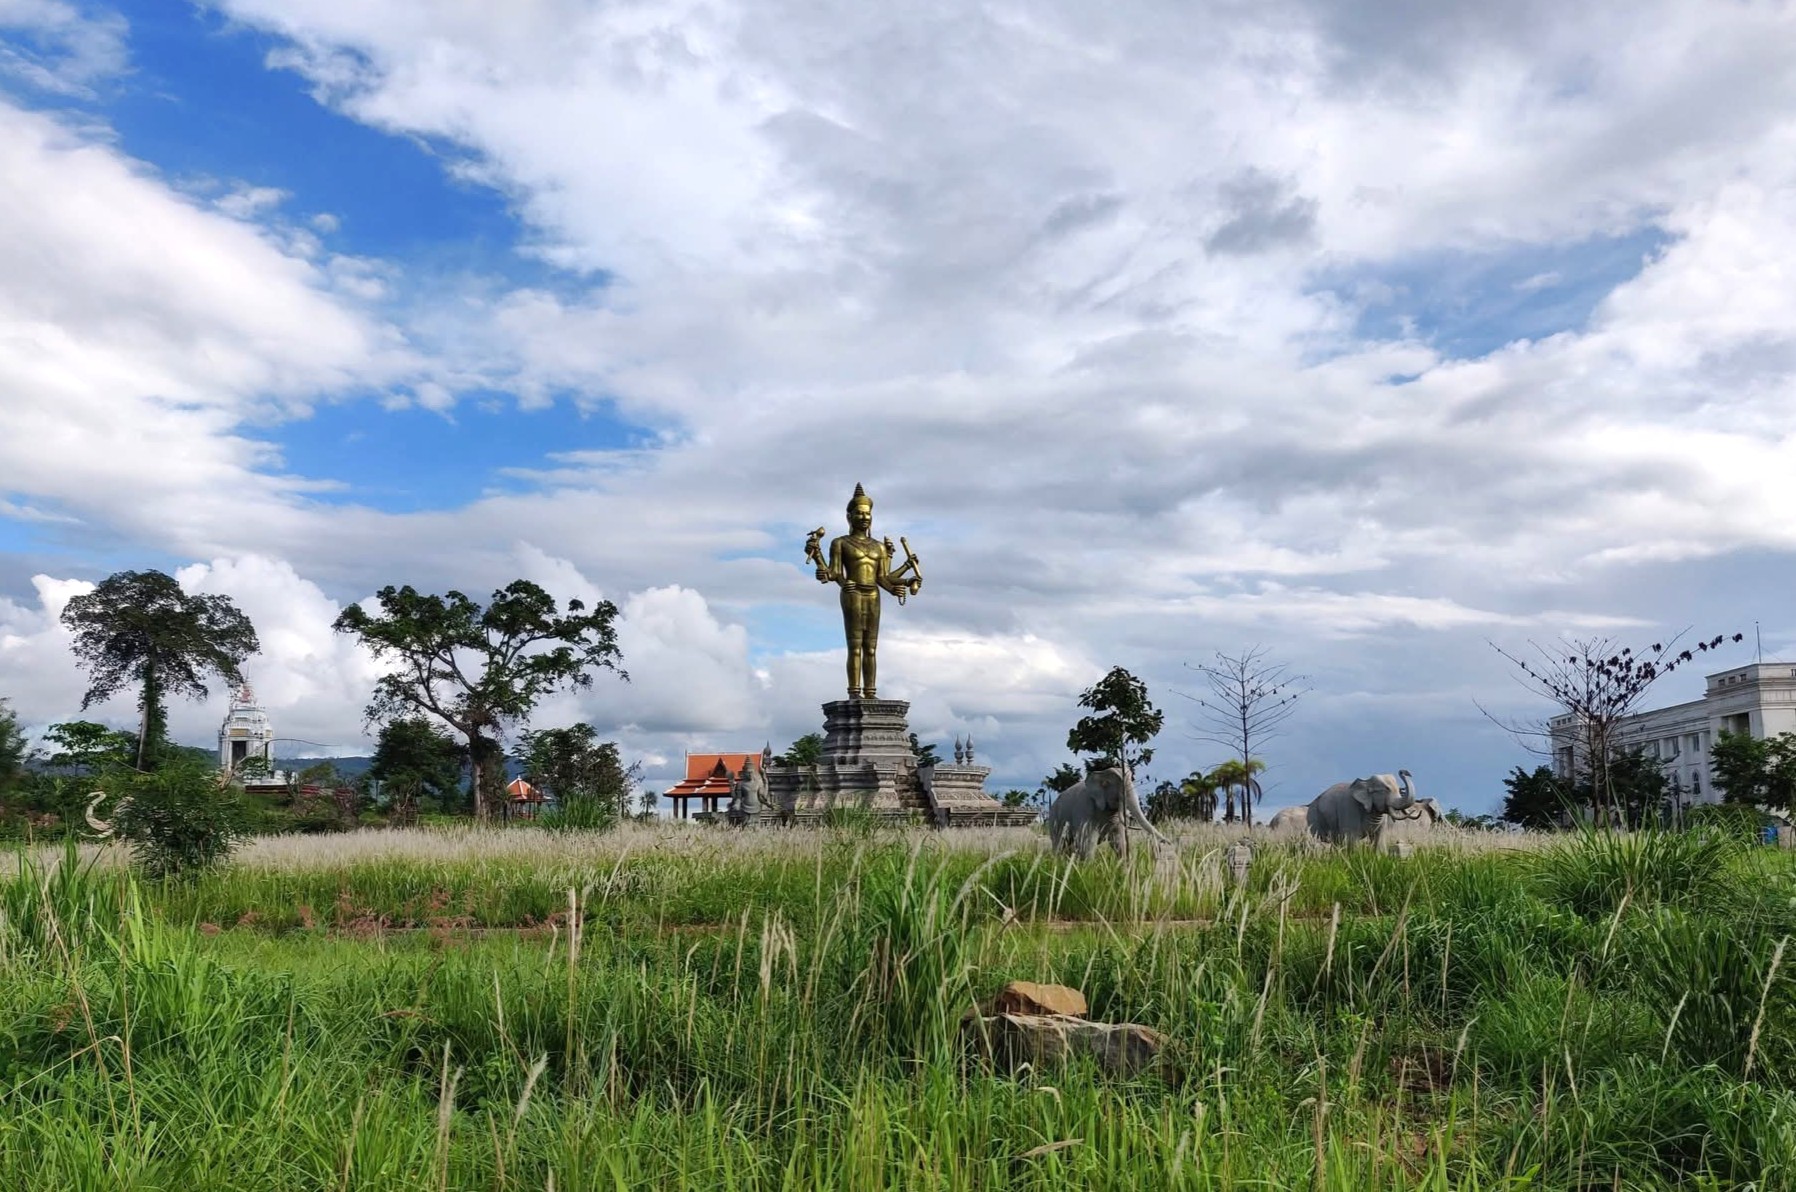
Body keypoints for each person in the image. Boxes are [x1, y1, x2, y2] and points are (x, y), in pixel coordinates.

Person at [814, 483, 920, 698]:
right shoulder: (840, 543)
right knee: (855, 646)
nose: (864, 518)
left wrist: (906, 581)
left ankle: (870, 692)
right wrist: (835, 578)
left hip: (873, 594)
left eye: (867, 514)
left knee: (870, 648)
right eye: (859, 514)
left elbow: (883, 577)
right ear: (849, 517)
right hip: (853, 594)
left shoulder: (879, 546)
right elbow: (834, 572)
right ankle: (854, 692)